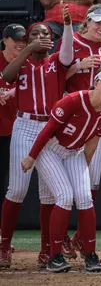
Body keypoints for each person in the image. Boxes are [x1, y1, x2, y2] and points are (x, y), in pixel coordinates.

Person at [20, 66, 101, 272]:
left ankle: (90, 254)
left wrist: (84, 167)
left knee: (84, 197)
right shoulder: (73, 100)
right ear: (96, 83)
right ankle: (54, 256)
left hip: (75, 152)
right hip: (50, 149)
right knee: (64, 196)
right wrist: (31, 157)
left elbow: (93, 141)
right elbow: (48, 130)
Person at [0, 3, 73, 269]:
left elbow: (67, 53)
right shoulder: (21, 62)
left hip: (50, 128)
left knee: (48, 194)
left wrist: (65, 26)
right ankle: (4, 245)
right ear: (27, 40)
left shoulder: (56, 61)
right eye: (35, 34)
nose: (42, 37)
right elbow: (7, 76)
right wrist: (28, 50)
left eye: (46, 34)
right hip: (25, 126)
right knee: (17, 189)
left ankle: (45, 251)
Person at [56, 3, 101, 258]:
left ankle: (80, 237)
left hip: (97, 118)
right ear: (87, 22)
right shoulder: (72, 41)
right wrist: (78, 67)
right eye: (98, 23)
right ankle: (56, 241)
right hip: (71, 116)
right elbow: (55, 76)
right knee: (59, 188)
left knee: (91, 180)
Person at [0, 24, 26, 220]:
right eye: (15, 38)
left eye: (23, 39)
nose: (20, 43)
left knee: (8, 182)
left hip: (17, 130)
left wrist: (15, 91)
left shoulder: (26, 63)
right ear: (5, 39)